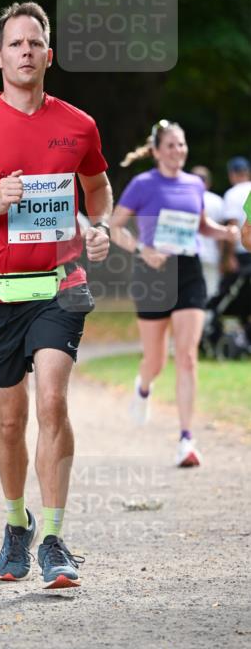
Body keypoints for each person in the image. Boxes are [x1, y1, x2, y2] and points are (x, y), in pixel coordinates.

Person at [0, 1, 112, 589]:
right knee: (10, 422)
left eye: (35, 44)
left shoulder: (78, 125)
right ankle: (19, 523)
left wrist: (99, 226)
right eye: (15, 45)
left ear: (49, 54)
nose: (25, 53)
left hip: (60, 287)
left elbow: (98, 188)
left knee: (53, 402)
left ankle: (56, 541)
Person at [110, 121, 239, 467]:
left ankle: (186, 439)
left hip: (189, 272)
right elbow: (115, 227)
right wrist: (142, 250)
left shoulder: (195, 184)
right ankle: (144, 385)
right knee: (155, 360)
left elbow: (201, 226)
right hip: (152, 272)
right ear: (155, 151)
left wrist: (225, 233)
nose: (178, 151)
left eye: (181, 145)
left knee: (187, 356)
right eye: (170, 146)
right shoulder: (142, 184)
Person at [191, 165, 224, 300]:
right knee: (210, 293)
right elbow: (221, 234)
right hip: (211, 255)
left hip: (189, 255)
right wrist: (222, 257)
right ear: (208, 182)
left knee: (191, 293)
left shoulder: (182, 198)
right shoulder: (217, 201)